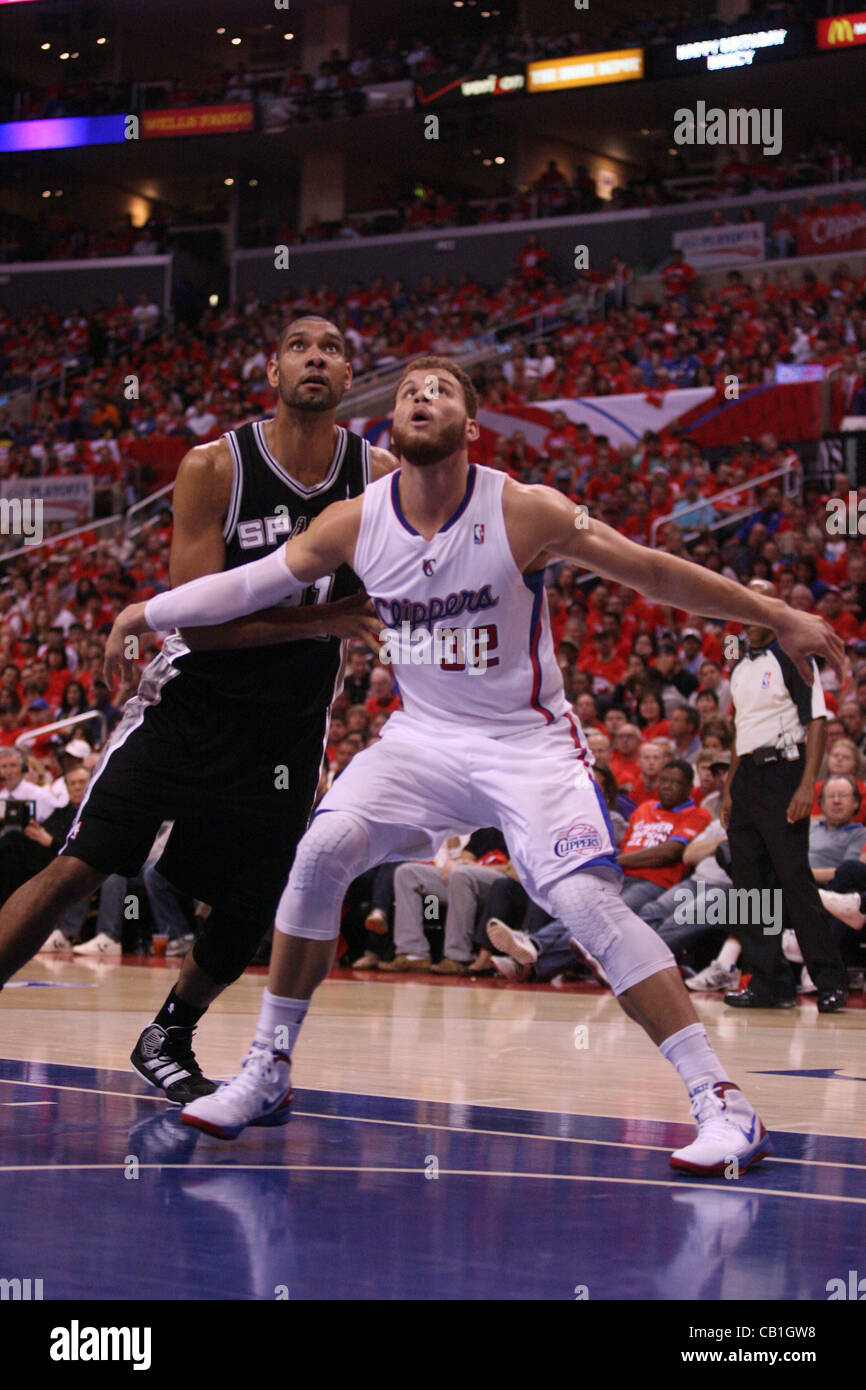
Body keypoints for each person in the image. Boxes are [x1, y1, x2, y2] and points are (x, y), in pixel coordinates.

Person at [105, 354, 844, 1174]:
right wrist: (148, 610)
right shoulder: (354, 521)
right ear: (392, 423)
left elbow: (654, 572)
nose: (422, 396)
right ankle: (268, 1069)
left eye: (442, 390)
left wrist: (777, 615)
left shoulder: (525, 511)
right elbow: (245, 586)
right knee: (317, 854)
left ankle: (725, 1105)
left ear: (471, 426)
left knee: (587, 907)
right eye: (411, 389)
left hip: (526, 744)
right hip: (423, 739)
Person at [0, 316, 395, 1103]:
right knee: (78, 868)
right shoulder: (215, 466)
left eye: (333, 348)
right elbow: (196, 622)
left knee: (254, 900)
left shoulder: (378, 473)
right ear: (273, 372)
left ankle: (169, 1034)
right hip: (191, 703)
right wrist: (322, 620)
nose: (316, 356)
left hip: (288, 721)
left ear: (350, 379)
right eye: (299, 345)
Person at [720, 580, 849, 1012]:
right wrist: (728, 790)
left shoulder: (795, 654)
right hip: (747, 777)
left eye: (763, 598)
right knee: (750, 888)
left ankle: (831, 979)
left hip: (784, 772)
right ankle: (769, 982)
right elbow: (742, 730)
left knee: (794, 880)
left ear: (773, 606)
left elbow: (816, 722)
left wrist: (806, 786)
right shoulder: (736, 662)